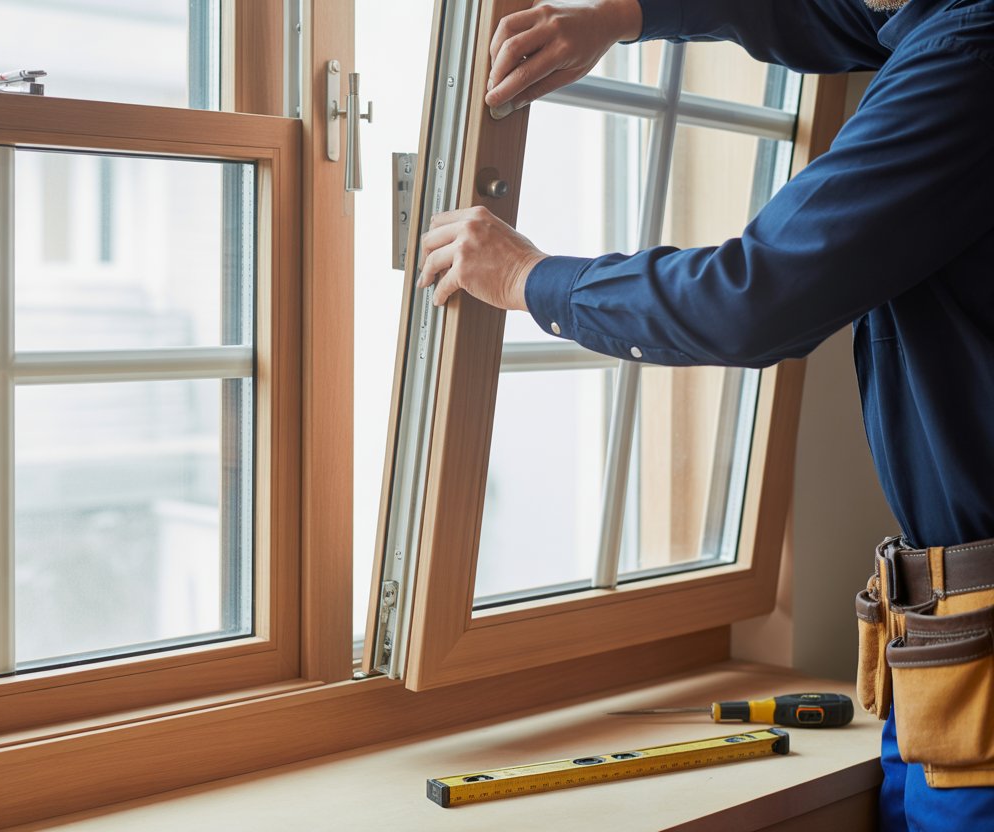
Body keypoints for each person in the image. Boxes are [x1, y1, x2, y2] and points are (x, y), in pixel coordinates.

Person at [416, 0, 994, 829]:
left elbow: (757, 299)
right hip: (943, 648)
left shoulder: (970, 59)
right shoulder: (933, 19)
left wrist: (530, 279)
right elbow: (836, 18)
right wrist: (626, 15)